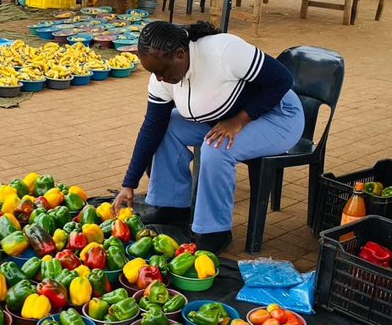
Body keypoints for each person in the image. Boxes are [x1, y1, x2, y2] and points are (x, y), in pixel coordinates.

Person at [112, 21, 305, 254]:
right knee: (169, 125)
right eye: (154, 73)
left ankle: (215, 232)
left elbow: (283, 80)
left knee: (217, 147)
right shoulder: (163, 78)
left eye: (161, 71)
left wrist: (239, 121)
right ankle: (172, 207)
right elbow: (152, 126)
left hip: (278, 117)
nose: (159, 79)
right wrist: (129, 184)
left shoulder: (224, 52)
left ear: (180, 55)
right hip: (225, 118)